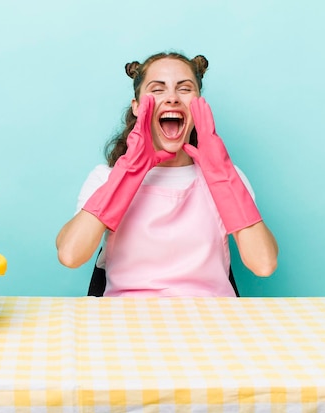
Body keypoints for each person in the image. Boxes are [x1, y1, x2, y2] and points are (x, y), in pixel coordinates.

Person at [56, 51, 278, 297]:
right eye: (158, 90)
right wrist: (129, 173)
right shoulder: (104, 177)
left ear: (200, 106)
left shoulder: (228, 177)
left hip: (212, 321)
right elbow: (70, 254)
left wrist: (222, 175)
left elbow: (264, 263)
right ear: (138, 108)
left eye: (184, 89)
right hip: (125, 321)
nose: (172, 98)